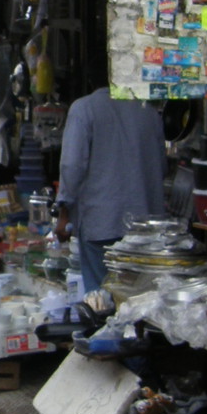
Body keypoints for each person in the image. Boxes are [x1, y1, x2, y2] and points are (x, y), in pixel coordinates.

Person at [53, 87, 166, 295]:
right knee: (140, 297)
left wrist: (63, 212)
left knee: (102, 299)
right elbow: (161, 166)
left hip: (102, 223)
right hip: (146, 226)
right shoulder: (149, 112)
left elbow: (72, 166)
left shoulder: (83, 108)